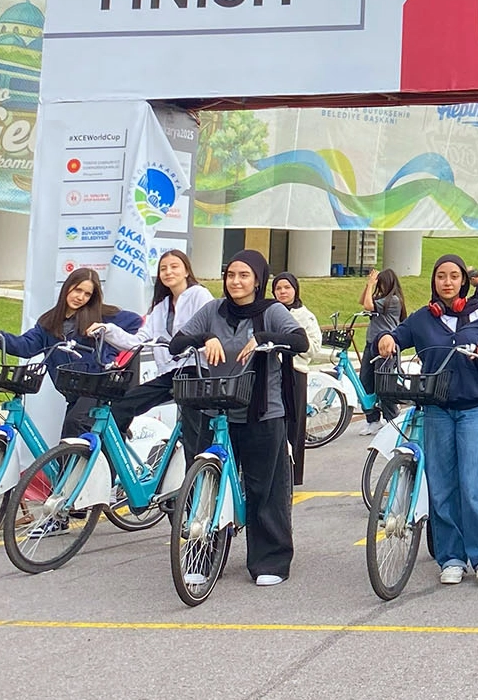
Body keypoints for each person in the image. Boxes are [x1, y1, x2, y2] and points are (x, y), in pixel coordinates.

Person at [168, 250, 309, 586]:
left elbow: (299, 341)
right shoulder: (213, 310)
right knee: (206, 488)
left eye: (244, 275)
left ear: (258, 280)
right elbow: (177, 344)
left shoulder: (271, 311)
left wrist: (263, 339)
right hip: (215, 408)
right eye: (231, 275)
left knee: (265, 489)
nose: (236, 282)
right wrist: (206, 337)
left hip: (262, 411)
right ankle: (203, 557)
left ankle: (270, 560)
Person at [378, 253, 478, 586]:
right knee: (442, 488)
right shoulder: (422, 318)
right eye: (440, 277)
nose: (447, 282)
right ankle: (451, 557)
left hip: (473, 407)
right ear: (434, 282)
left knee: (472, 486)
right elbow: (397, 338)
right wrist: (387, 339)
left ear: (463, 280)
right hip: (436, 409)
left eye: (453, 276)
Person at [0, 268, 144, 442]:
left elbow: (137, 323)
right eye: (77, 290)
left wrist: (108, 350)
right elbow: (25, 346)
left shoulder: (102, 316)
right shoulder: (49, 321)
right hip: (71, 390)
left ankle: (71, 469)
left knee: (74, 425)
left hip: (97, 386)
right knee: (73, 437)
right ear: (67, 287)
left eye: (87, 294)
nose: (80, 297)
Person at [99, 249, 214, 441]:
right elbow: (136, 342)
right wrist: (107, 330)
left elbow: (212, 328)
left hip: (195, 372)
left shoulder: (198, 294)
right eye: (163, 269)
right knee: (121, 406)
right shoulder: (160, 307)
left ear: (186, 271)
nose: (168, 272)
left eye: (174, 267)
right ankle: (115, 459)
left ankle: (197, 470)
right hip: (169, 374)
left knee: (193, 433)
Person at [358, 268, 404, 435]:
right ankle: (373, 419)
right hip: (371, 344)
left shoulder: (393, 300)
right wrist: (368, 284)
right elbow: (362, 301)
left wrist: (371, 284)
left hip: (386, 347)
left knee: (383, 384)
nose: (379, 286)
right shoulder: (382, 299)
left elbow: (367, 305)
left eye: (381, 283)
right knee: (365, 381)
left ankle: (392, 418)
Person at [272, 272, 327, 374]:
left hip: (296, 370)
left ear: (295, 289)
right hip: (271, 370)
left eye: (287, 287)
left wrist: (295, 343)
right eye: (278, 288)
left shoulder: (306, 316)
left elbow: (315, 346)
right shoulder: (269, 312)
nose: (282, 291)